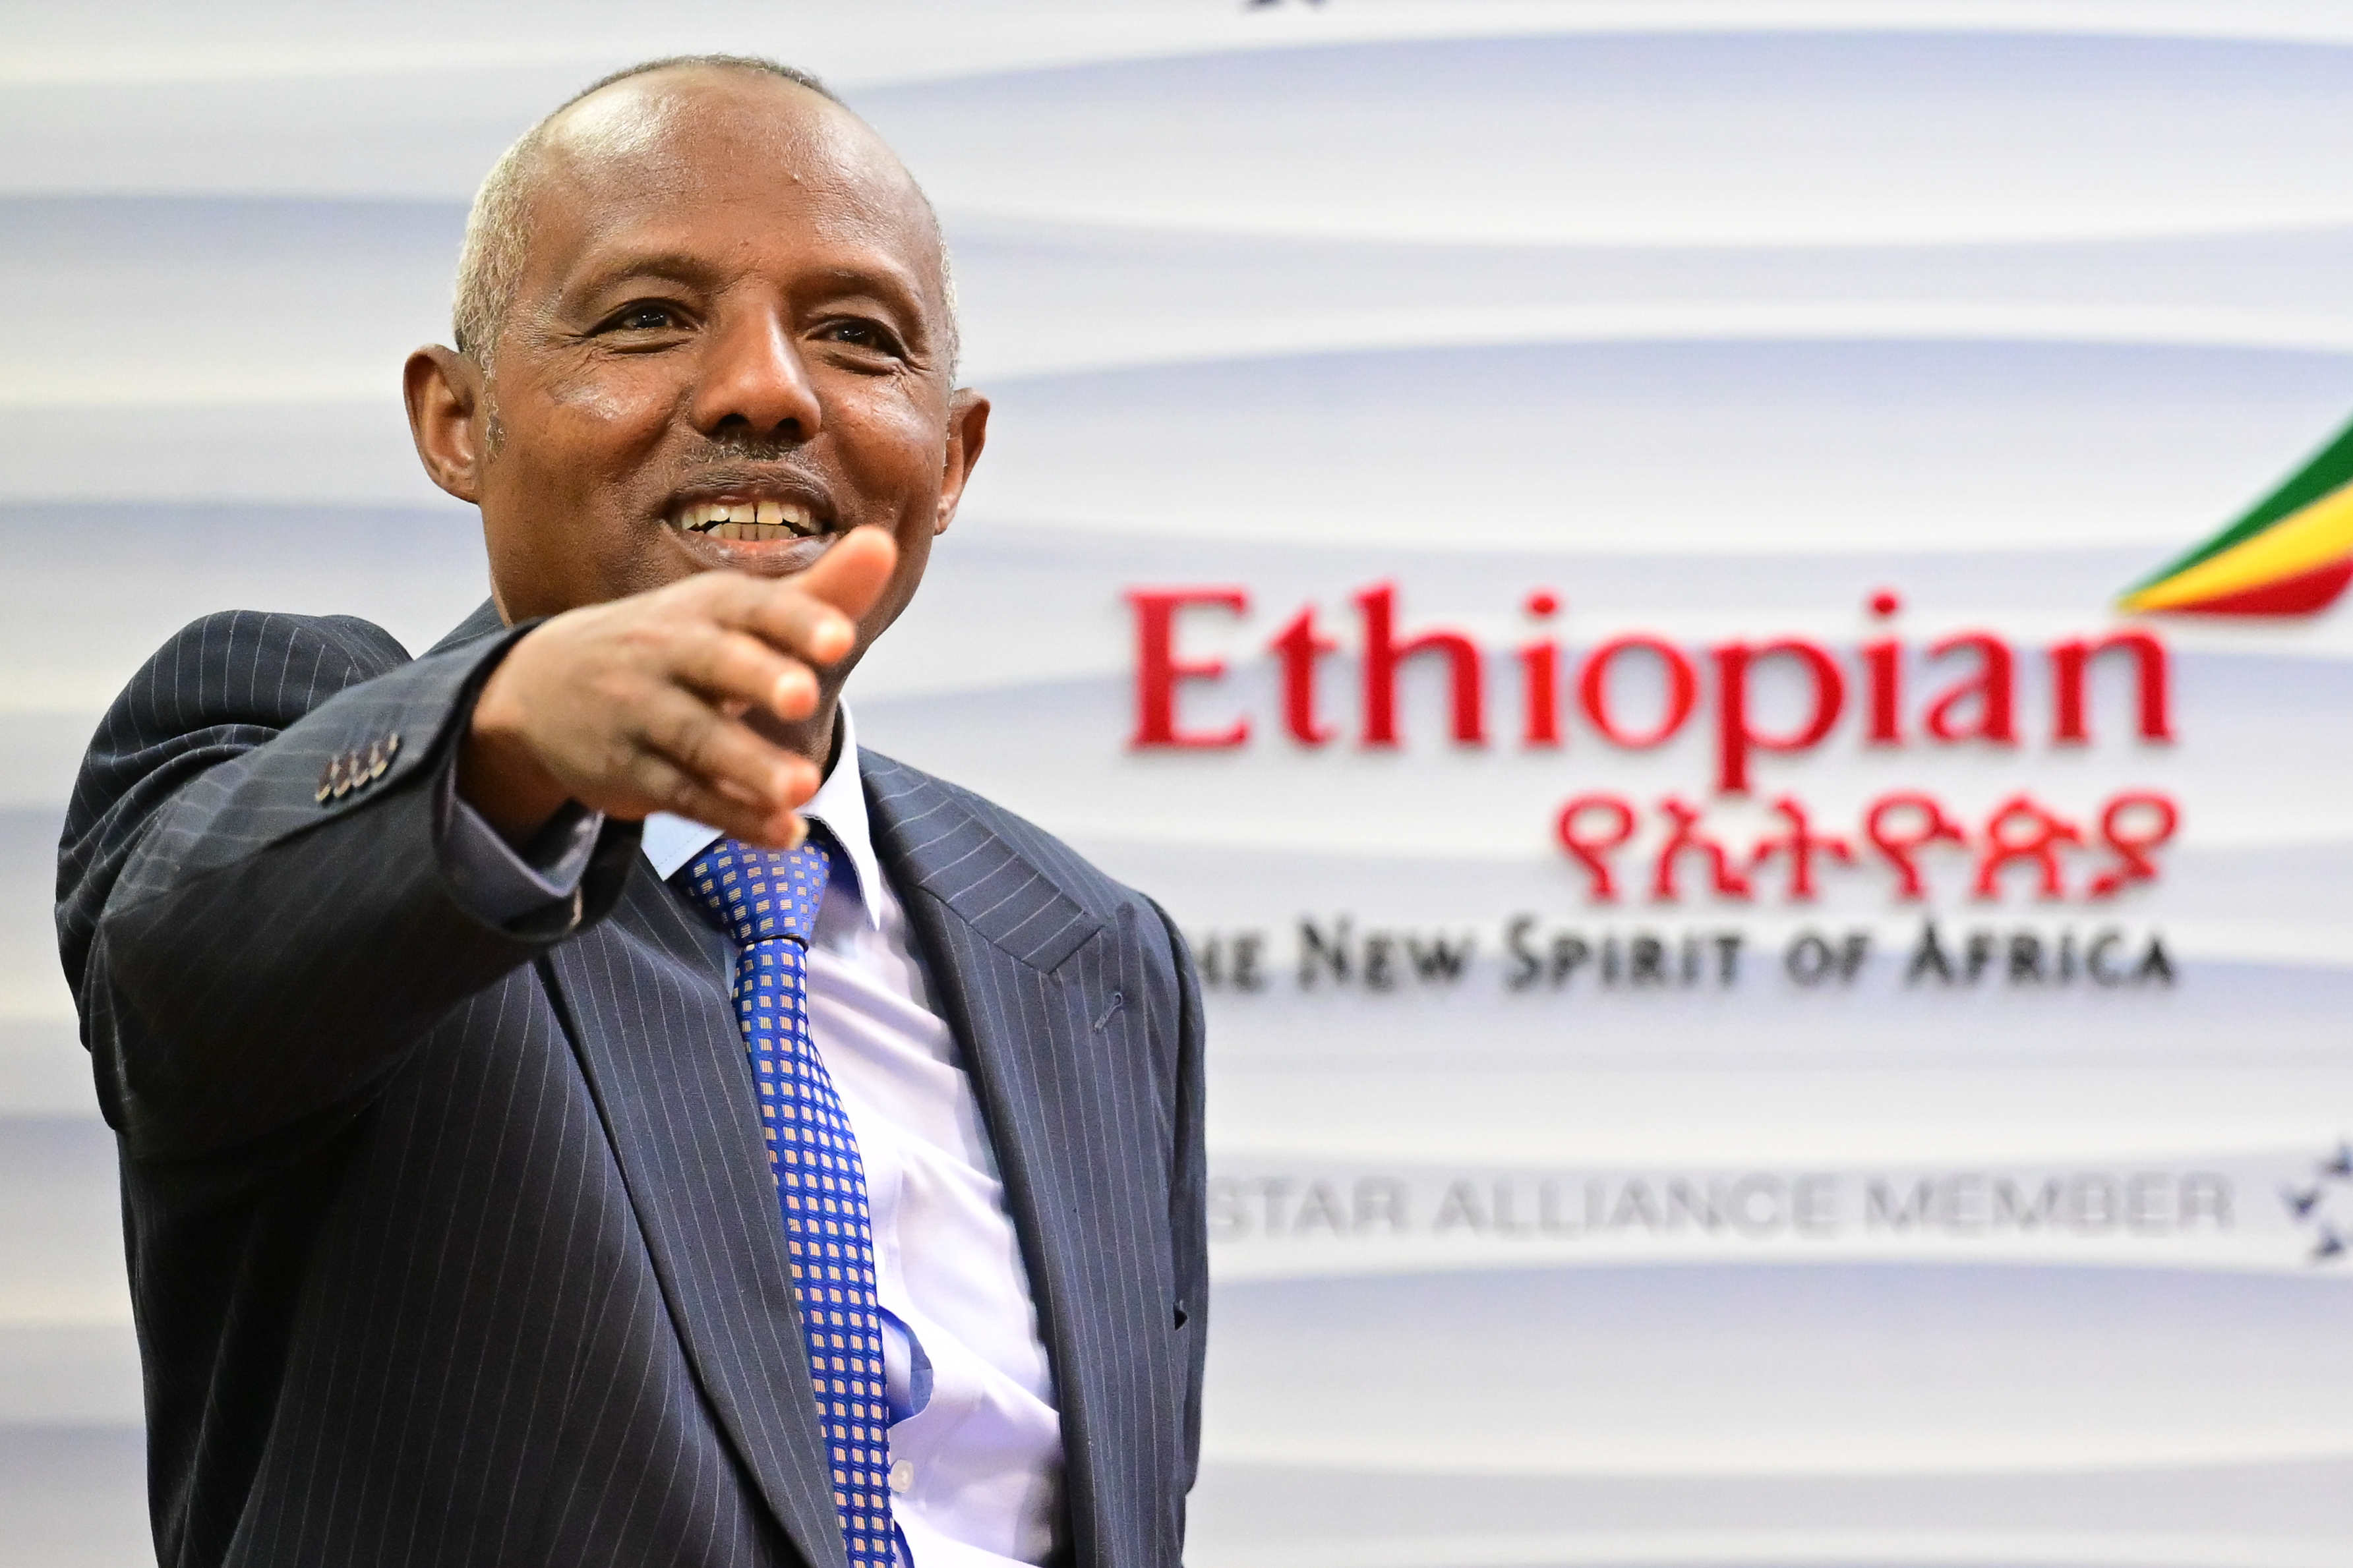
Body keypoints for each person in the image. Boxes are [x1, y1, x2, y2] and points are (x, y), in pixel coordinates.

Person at [54, 55, 1205, 1568]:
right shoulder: (304, 733)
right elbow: (186, 970)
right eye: (649, 317)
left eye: (855, 337)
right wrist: (514, 727)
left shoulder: (1092, 951)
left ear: (953, 456)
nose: (763, 389)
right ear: (457, 420)